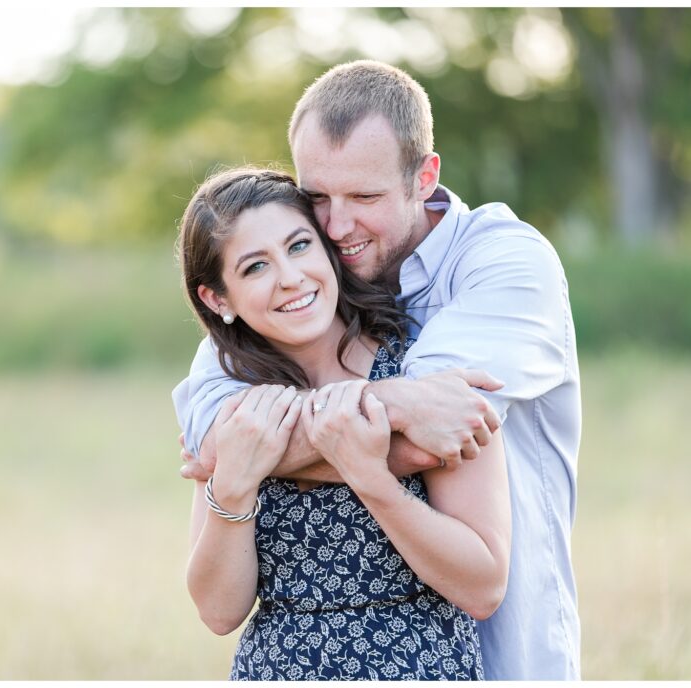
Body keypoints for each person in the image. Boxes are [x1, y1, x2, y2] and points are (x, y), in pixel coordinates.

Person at [173, 60, 581, 680]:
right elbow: (210, 431)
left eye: (364, 197)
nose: (335, 227)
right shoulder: (249, 356)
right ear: (219, 299)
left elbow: (437, 432)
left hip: (496, 652)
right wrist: (232, 474)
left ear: (425, 177)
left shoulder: (501, 263)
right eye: (317, 201)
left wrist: (257, 450)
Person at [180, 167, 510, 680]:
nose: (290, 277)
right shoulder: (239, 409)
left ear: (328, 247)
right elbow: (219, 613)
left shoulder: (424, 373)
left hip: (417, 666)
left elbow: (484, 587)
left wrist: (374, 482)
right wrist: (235, 487)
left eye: (298, 246)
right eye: (254, 268)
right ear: (218, 299)